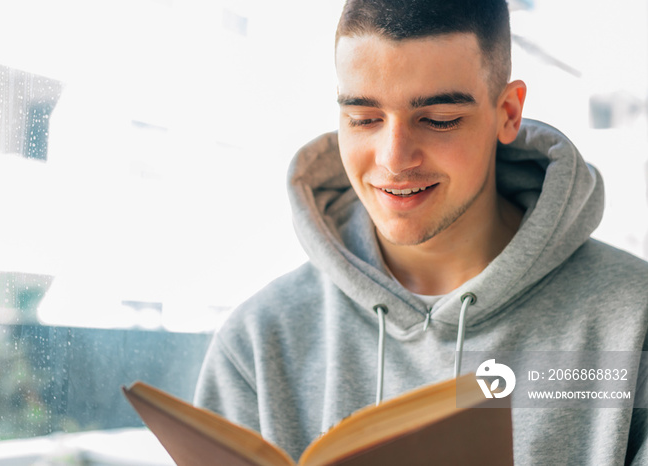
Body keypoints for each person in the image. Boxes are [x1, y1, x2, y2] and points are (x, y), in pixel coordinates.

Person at [194, 0, 648, 463]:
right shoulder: (257, 341)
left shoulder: (635, 322)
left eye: (438, 120)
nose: (394, 158)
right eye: (363, 118)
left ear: (507, 114)